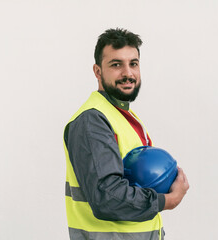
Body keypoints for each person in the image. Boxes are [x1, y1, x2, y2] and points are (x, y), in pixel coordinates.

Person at [63, 28, 189, 240]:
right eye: (116, 64)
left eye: (133, 63)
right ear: (97, 71)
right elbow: (107, 197)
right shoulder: (92, 120)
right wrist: (166, 201)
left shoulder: (123, 116)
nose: (128, 73)